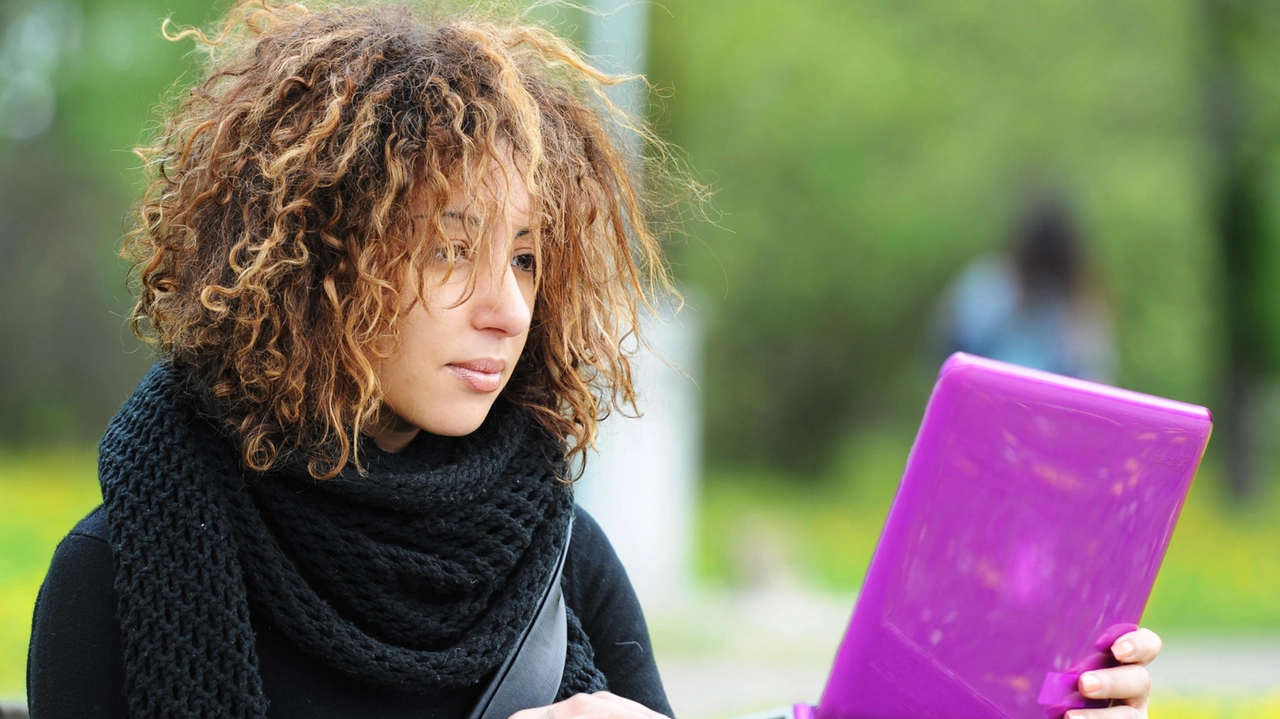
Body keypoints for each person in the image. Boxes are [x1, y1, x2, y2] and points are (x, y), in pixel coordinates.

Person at [25, 3, 1161, 719]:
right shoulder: (118, 573)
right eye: (447, 249)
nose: (504, 305)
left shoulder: (559, 554)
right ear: (315, 259)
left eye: (525, 257)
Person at [936, 192, 1116, 384]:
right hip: (1020, 405)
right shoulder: (1081, 306)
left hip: (984, 399)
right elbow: (1096, 375)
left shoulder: (986, 283)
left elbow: (947, 345)